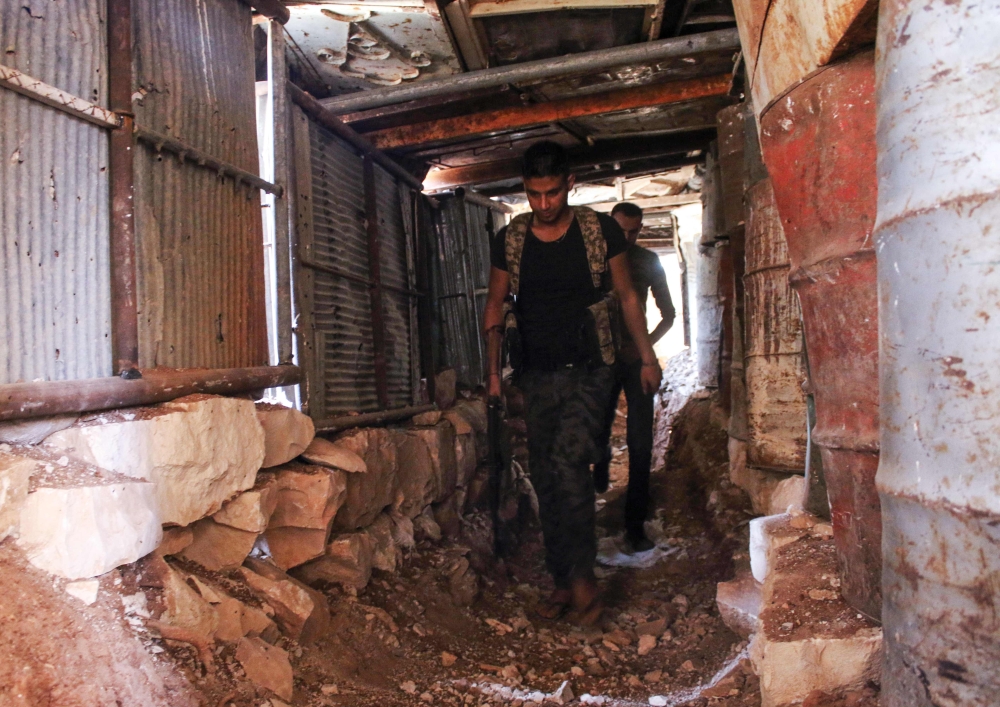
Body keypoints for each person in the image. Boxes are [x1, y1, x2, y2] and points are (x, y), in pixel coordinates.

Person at [482, 142, 661, 625]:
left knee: (568, 467)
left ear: (570, 184)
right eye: (534, 194)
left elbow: (626, 296)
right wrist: (493, 377)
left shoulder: (599, 230)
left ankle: (584, 582)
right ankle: (562, 578)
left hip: (591, 370)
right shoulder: (512, 239)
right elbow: (495, 306)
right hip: (535, 376)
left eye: (553, 193)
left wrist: (647, 357)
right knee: (545, 477)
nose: (544, 204)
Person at [594, 202, 676, 553]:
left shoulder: (647, 261)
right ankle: (598, 479)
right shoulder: (593, 263)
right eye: (621, 230)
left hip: (635, 360)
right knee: (593, 431)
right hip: (597, 361)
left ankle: (635, 526)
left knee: (641, 442)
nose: (628, 238)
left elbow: (669, 315)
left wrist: (645, 351)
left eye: (635, 231)